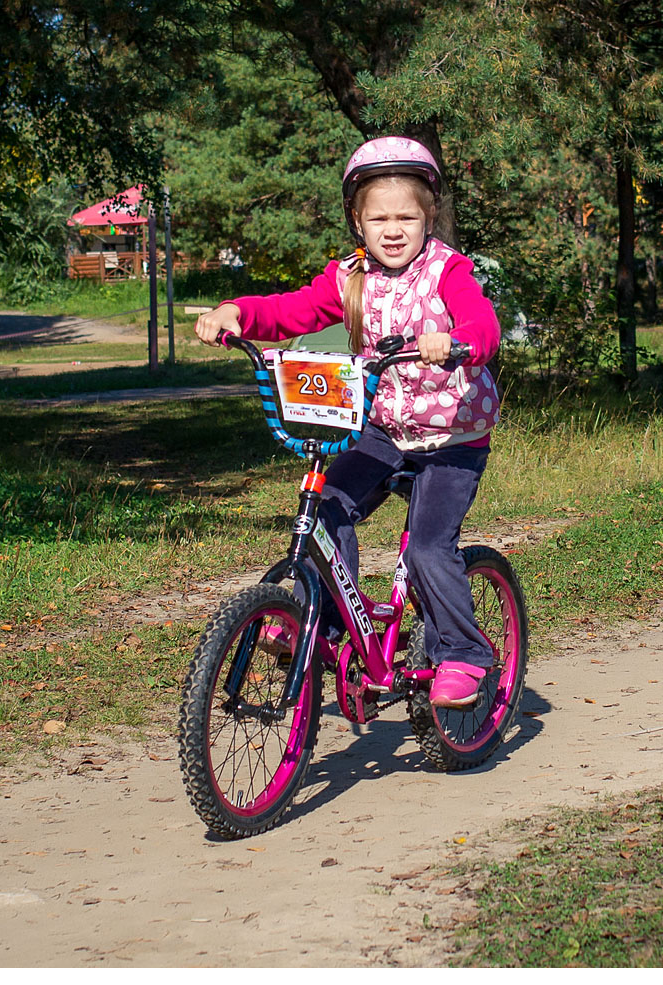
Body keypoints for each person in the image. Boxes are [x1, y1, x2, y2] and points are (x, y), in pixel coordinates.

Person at [194, 135, 502, 709]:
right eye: (379, 218)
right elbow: (292, 309)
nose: (393, 230)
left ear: (429, 217)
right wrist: (237, 311)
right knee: (326, 510)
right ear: (358, 223)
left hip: (451, 437)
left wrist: (459, 342)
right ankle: (327, 625)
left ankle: (464, 652)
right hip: (382, 428)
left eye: (406, 217)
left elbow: (482, 322)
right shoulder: (351, 276)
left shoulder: (447, 272)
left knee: (427, 549)